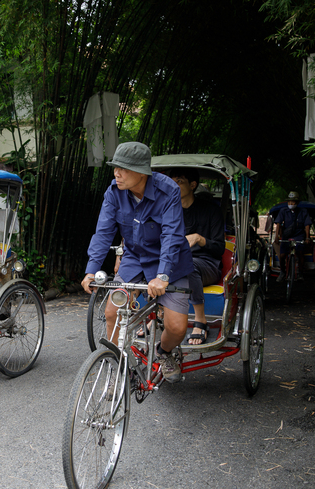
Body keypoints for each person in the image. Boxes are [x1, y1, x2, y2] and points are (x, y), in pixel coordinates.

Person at [81, 142, 193, 382]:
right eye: (115, 168)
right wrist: (92, 271)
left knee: (176, 328)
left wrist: (162, 276)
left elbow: (172, 235)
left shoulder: (168, 190)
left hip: (170, 261)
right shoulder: (114, 192)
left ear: (142, 172)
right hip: (135, 258)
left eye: (123, 169)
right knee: (112, 311)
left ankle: (163, 353)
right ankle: (117, 368)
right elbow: (103, 233)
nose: (116, 174)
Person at [170, 168, 224, 345]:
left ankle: (200, 320)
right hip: (175, 263)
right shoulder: (169, 212)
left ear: (192, 185)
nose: (174, 185)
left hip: (207, 264)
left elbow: (219, 248)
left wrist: (200, 239)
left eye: (179, 181)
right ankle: (158, 316)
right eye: (172, 182)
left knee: (188, 265)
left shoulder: (211, 211)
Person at [274, 191, 312, 282]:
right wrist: (276, 237)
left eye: (293, 202)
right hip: (286, 236)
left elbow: (307, 225)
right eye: (289, 202)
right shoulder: (283, 211)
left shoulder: (303, 211)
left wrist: (307, 237)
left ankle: (300, 272)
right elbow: (278, 223)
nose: (291, 204)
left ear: (297, 203)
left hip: (299, 235)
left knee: (300, 253)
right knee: (282, 255)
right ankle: (282, 272)